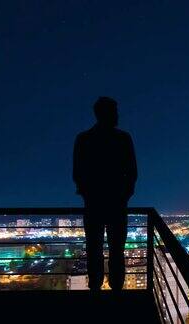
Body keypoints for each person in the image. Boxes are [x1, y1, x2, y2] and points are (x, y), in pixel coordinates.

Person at [73, 97, 137, 291]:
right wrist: (124, 196)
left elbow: (78, 173)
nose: (118, 116)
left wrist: (88, 195)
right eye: (115, 112)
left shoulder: (84, 139)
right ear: (106, 113)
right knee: (116, 251)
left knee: (95, 250)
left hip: (94, 205)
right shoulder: (123, 139)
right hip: (116, 205)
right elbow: (132, 173)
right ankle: (115, 289)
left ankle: (96, 289)